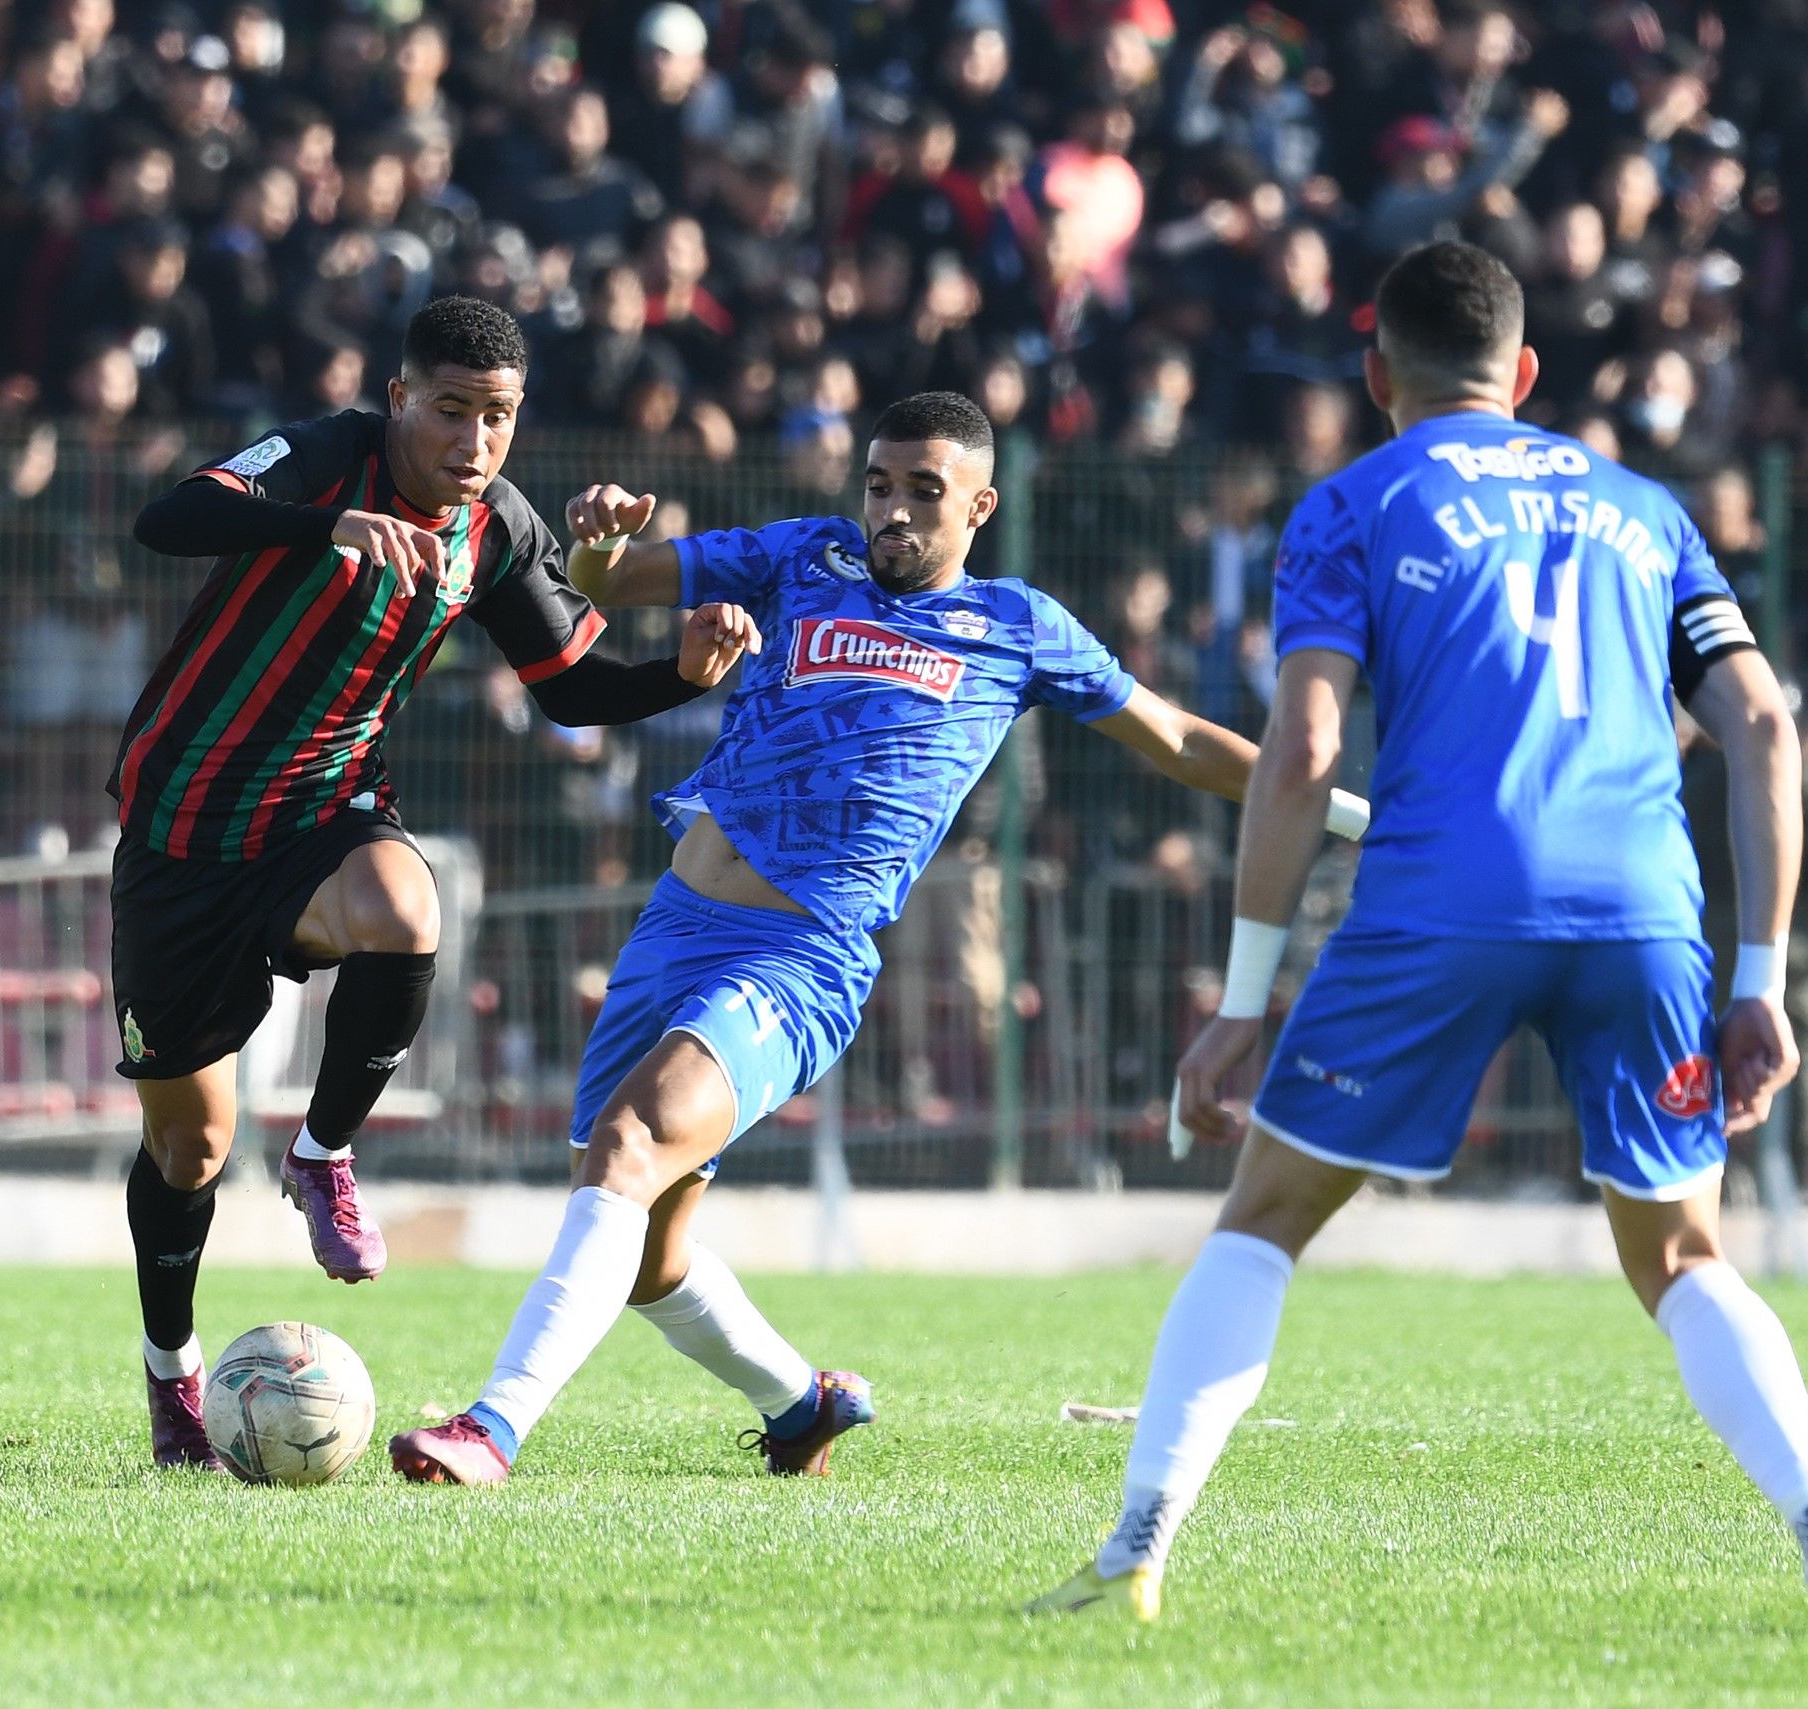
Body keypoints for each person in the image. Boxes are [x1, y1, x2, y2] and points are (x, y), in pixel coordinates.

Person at [387, 390, 1371, 1487]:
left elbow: (1179, 739)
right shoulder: (801, 556)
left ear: (980, 506)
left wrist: (1350, 815)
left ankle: (491, 1428)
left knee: (627, 1143)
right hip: (674, 926)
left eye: (923, 490)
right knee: (649, 1252)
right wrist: (598, 544)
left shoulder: (1017, 626)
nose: (891, 510)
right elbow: (611, 585)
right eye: (878, 484)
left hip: (801, 956)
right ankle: (801, 1404)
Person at [1030, 242, 1808, 1623]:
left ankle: (1134, 1547)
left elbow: (1299, 750)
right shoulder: (1643, 510)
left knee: (1263, 1217)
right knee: (1683, 1256)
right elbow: (1759, 721)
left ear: (1376, 373)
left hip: (1440, 898)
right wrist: (1757, 979)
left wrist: (1242, 999)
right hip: (1640, 906)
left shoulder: (1351, 502)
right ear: (1523, 372)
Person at [113, 294, 757, 1469]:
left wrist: (681, 672)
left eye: (497, 416)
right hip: (182, 832)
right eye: (451, 410)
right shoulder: (329, 455)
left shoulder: (497, 527)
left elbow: (569, 685)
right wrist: (327, 524)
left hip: (322, 810)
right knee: (189, 1148)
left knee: (407, 908)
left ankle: (323, 1151)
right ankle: (172, 1374)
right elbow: (170, 517)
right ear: (400, 397)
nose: (474, 439)